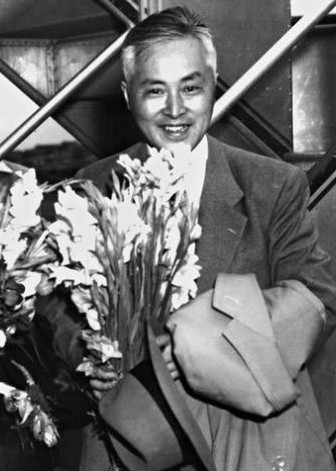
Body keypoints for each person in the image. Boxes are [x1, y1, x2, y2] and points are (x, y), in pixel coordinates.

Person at [76, 7, 336, 471]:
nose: (175, 110)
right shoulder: (93, 186)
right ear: (127, 95)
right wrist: (86, 359)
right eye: (155, 90)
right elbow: (60, 310)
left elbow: (317, 299)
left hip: (246, 439)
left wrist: (197, 346)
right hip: (130, 441)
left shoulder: (271, 184)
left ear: (214, 85)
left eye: (191, 88)